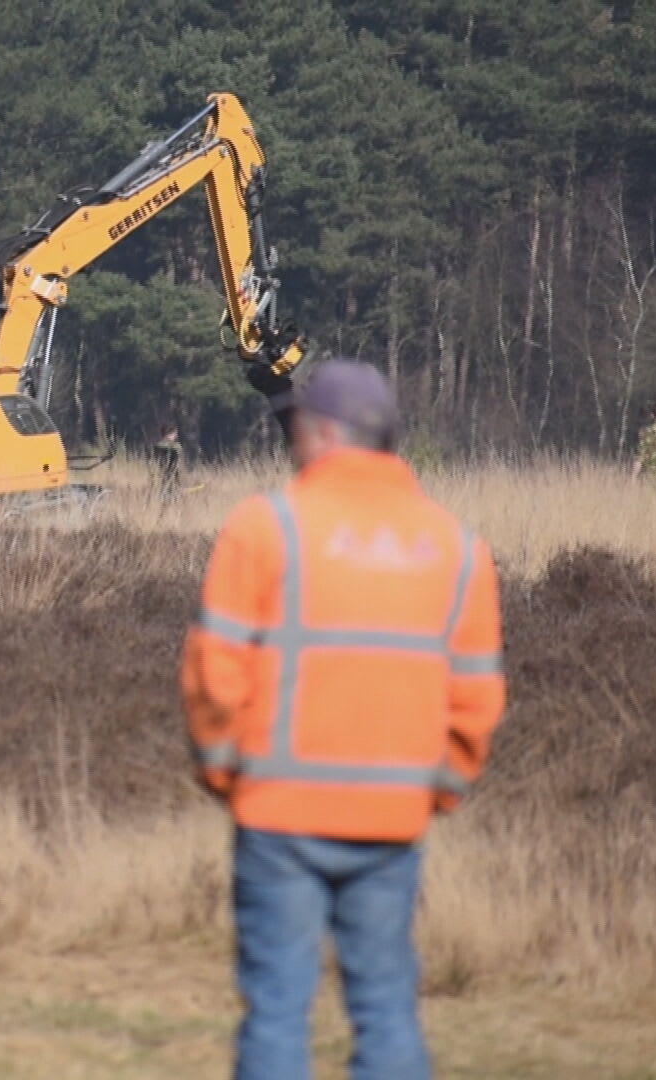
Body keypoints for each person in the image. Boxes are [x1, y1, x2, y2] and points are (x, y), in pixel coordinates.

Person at [181, 361, 507, 1080]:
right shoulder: (458, 550)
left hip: (278, 812)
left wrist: (222, 768)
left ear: (322, 433)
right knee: (388, 1006)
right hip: (393, 819)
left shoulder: (265, 528)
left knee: (276, 1011)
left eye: (297, 425)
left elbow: (214, 672)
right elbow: (478, 696)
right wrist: (440, 789)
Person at [154, 424, 184, 499]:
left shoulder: (157, 446)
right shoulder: (176, 446)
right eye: (175, 434)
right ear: (172, 433)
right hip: (172, 477)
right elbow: (178, 465)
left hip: (159, 476)